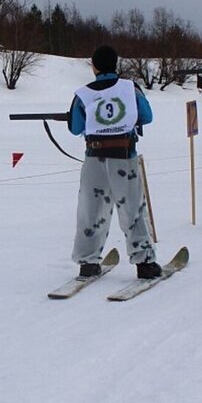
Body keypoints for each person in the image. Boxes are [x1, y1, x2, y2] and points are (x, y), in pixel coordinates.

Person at [67, 45, 160, 279]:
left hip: (94, 158)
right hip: (124, 157)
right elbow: (146, 116)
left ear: (94, 66)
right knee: (133, 209)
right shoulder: (131, 88)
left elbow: (75, 127)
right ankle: (144, 263)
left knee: (91, 209)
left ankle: (88, 263)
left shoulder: (83, 94)